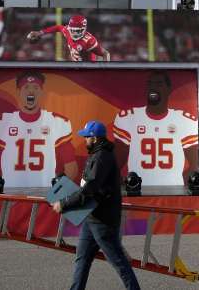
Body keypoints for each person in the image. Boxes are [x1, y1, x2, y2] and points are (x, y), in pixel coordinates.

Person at [54, 120, 141, 290]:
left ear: (94, 138)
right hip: (92, 217)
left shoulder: (101, 157)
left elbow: (89, 189)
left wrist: (64, 204)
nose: (84, 139)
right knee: (82, 258)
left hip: (103, 221)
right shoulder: (98, 154)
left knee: (119, 262)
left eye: (86, 136)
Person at [0, 70, 78, 187]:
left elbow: (71, 167)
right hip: (10, 193)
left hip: (45, 193)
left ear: (42, 92)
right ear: (18, 91)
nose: (31, 91)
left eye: (36, 87)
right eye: (26, 87)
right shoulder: (1, 122)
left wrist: (57, 194)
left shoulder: (56, 122)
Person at [112, 71, 199, 186]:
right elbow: (116, 166)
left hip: (173, 191)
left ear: (168, 89)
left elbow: (194, 167)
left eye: (159, 84)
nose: (153, 87)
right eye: (150, 84)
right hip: (137, 190)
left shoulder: (184, 120)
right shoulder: (129, 117)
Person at [27, 14, 112, 62]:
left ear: (84, 29)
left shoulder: (89, 40)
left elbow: (106, 53)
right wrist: (41, 33)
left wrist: (104, 71)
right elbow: (59, 27)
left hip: (89, 68)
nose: (74, 33)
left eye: (77, 31)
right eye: (72, 30)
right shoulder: (67, 30)